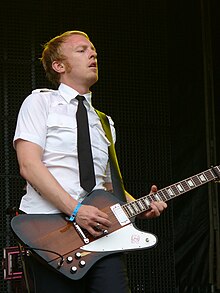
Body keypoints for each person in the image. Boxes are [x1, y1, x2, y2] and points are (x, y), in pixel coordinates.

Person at [13, 30, 167, 293]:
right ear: (58, 66)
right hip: (51, 232)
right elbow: (29, 165)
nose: (93, 53)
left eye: (93, 49)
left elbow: (107, 187)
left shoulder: (105, 123)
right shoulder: (40, 102)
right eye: (82, 50)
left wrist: (137, 205)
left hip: (101, 231)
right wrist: (76, 210)